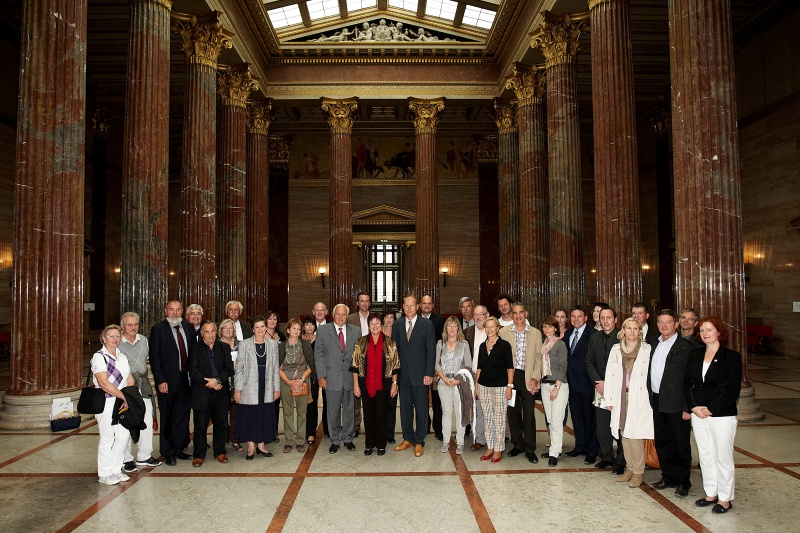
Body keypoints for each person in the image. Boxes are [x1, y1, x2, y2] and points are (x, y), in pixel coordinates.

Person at [684, 316, 742, 514]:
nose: (705, 333)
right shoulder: (695, 354)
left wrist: (711, 409)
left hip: (721, 415)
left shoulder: (731, 357)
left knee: (722, 457)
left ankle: (725, 498)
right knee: (706, 455)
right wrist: (693, 407)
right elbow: (687, 384)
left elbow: (733, 390)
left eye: (709, 330)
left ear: (719, 332)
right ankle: (711, 493)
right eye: (701, 330)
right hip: (698, 414)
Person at [602, 318, 654, 488]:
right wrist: (608, 398)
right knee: (624, 433)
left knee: (636, 435)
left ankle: (638, 472)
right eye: (629, 328)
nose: (632, 332)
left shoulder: (647, 350)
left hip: (639, 397)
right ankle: (629, 469)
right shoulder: (616, 349)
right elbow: (609, 374)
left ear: (640, 331)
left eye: (635, 328)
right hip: (621, 396)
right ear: (623, 330)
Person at [648, 309, 695, 497]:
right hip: (657, 399)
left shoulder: (686, 347)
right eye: (660, 322)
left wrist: (687, 406)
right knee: (662, 440)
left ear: (676, 324)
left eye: (668, 322)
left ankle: (684, 481)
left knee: (680, 443)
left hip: (677, 403)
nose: (664, 326)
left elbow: (690, 380)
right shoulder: (652, 343)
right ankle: (668, 476)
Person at [150, 300, 195, 466]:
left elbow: (193, 353)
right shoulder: (158, 330)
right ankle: (167, 452)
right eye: (171, 310)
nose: (175, 313)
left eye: (178, 310)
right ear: (165, 311)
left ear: (182, 311)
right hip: (167, 381)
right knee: (167, 416)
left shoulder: (188, 328)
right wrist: (160, 380)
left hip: (186, 379)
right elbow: (155, 358)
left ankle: (179, 448)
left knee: (182, 415)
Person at [498, 302, 543, 463]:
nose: (518, 316)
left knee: (529, 413)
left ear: (526, 314)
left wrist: (535, 378)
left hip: (528, 377)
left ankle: (530, 448)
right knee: (513, 411)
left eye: (521, 312)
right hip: (510, 378)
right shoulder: (503, 332)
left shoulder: (535, 333)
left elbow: (539, 358)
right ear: (511, 315)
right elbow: (500, 357)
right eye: (515, 313)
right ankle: (518, 444)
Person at [392, 295, 436, 457]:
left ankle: (419, 441)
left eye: (412, 306)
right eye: (406, 306)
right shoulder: (397, 325)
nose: (409, 308)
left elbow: (431, 351)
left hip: (421, 375)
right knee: (405, 409)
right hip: (403, 376)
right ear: (402, 307)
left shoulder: (427, 325)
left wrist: (429, 373)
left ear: (417, 306)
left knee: (422, 409)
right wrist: (395, 378)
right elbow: (394, 353)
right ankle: (407, 438)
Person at [351, 312, 400, 455]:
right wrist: (356, 385)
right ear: (368, 325)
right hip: (365, 384)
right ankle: (369, 444)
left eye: (377, 323)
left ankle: (381, 444)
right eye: (372, 323)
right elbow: (355, 365)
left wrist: (394, 384)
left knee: (381, 414)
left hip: (384, 384)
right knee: (368, 414)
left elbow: (395, 365)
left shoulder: (390, 343)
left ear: (381, 324)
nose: (374, 326)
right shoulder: (361, 342)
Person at [315, 304, 361, 454]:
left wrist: (358, 379)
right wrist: (321, 375)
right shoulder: (323, 331)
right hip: (331, 378)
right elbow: (319, 355)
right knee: (333, 411)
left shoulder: (356, 331)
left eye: (343, 315)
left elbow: (358, 357)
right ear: (333, 315)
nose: (340, 317)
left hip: (349, 377)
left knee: (349, 409)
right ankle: (335, 439)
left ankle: (348, 438)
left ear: (347, 317)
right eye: (338, 314)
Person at [93, 324, 136, 485]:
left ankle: (116, 469)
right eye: (111, 336)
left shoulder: (122, 356)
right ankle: (104, 473)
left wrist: (129, 397)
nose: (115, 339)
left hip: (121, 401)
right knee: (107, 438)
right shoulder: (99, 357)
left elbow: (130, 379)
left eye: (117, 336)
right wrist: (124, 396)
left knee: (123, 437)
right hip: (106, 402)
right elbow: (103, 383)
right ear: (103, 338)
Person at [119, 312, 160, 474]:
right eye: (129, 325)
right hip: (125, 386)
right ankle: (126, 458)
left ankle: (144, 455)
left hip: (143, 385)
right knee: (127, 421)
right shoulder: (118, 342)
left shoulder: (143, 340)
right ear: (122, 326)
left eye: (135, 324)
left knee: (147, 419)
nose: (133, 327)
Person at [585, 306, 625, 474]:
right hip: (600, 388)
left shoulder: (623, 338)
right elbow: (589, 362)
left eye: (609, 317)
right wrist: (598, 382)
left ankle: (621, 461)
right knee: (602, 426)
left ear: (615, 319)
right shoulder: (594, 338)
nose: (606, 321)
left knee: (620, 426)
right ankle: (607, 457)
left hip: (618, 390)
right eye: (603, 318)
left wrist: (609, 384)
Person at [234, 315, 280, 459]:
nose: (260, 329)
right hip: (248, 386)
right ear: (253, 330)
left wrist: (276, 388)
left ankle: (261, 445)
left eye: (262, 326)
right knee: (250, 416)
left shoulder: (272, 345)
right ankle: (251, 446)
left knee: (264, 415)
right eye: (257, 327)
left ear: (266, 328)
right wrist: (238, 389)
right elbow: (239, 369)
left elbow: (275, 368)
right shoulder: (245, 344)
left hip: (266, 386)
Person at [189, 321, 234, 467]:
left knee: (221, 424)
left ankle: (220, 452)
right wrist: (209, 383)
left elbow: (229, 369)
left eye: (212, 331)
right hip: (202, 392)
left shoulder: (224, 347)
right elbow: (193, 371)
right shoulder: (195, 349)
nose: (210, 335)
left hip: (220, 392)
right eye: (207, 332)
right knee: (200, 426)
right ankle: (199, 454)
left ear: (217, 332)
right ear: (202, 334)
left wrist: (218, 380)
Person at [563, 306, 599, 464]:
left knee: (590, 418)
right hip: (572, 383)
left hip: (587, 383)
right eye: (573, 316)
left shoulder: (593, 335)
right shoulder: (569, 334)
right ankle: (580, 446)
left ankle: (592, 450)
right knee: (577, 417)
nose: (576, 319)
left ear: (586, 318)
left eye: (579, 316)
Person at [476, 317, 514, 463]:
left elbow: (510, 368)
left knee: (499, 419)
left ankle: (498, 448)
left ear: (498, 328)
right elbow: (479, 367)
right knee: (488, 418)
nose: (490, 329)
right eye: (487, 327)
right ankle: (490, 446)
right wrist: (476, 386)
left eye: (493, 326)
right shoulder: (482, 346)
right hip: (484, 386)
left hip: (500, 386)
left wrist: (509, 387)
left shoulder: (504, 345)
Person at [435, 316, 472, 455]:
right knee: (446, 413)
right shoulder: (441, 343)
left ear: (458, 328)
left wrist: (457, 380)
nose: (451, 329)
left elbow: (468, 365)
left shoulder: (464, 344)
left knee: (459, 413)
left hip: (459, 383)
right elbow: (436, 363)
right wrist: (444, 378)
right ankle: (446, 441)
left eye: (454, 326)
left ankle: (461, 442)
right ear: (446, 328)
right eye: (449, 326)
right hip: (443, 383)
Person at [279, 318, 314, 453]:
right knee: (287, 413)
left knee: (302, 413)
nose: (297, 331)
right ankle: (288, 441)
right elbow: (277, 367)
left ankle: (300, 441)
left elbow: (311, 365)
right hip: (285, 382)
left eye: (299, 329)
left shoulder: (305, 345)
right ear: (288, 330)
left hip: (302, 382)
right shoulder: (281, 346)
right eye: (294, 328)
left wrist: (301, 379)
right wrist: (289, 382)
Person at [539, 316, 568, 466]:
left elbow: (563, 366)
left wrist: (556, 387)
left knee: (556, 421)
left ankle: (554, 453)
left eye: (550, 326)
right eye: (544, 327)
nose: (547, 329)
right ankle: (554, 447)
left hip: (559, 385)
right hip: (545, 385)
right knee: (550, 420)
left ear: (555, 328)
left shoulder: (560, 344)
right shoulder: (544, 345)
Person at [419, 294, 445, 441]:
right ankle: (424, 426)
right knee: (421, 399)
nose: (427, 306)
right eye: (424, 303)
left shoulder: (440, 320)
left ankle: (438, 429)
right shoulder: (415, 320)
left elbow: (443, 343)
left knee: (437, 399)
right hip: (420, 366)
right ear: (419, 305)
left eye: (429, 303)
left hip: (436, 366)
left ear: (433, 305)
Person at [464, 305, 489, 451]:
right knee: (475, 408)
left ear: (487, 315)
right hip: (472, 375)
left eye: (481, 314)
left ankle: (488, 437)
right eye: (475, 315)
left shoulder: (493, 331)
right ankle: (479, 438)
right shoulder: (467, 332)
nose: (478, 317)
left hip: (489, 375)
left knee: (488, 408)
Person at [348, 291, 372, 435]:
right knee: (355, 393)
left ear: (369, 303)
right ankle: (356, 423)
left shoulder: (375, 318)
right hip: (356, 359)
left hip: (372, 359)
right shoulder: (350, 318)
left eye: (366, 300)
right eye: (361, 300)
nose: (364, 303)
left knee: (370, 392)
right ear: (357, 303)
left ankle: (371, 422)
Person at [218, 318, 243, 453]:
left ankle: (235, 439)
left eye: (230, 328)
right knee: (221, 414)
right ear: (220, 331)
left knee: (235, 413)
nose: (228, 330)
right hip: (221, 383)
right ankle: (221, 441)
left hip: (237, 383)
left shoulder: (240, 344)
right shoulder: (216, 345)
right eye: (225, 328)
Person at [264, 310, 285, 441]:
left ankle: (274, 431)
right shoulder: (260, 335)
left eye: (275, 319)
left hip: (277, 375)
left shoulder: (281, 336)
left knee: (275, 405)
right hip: (264, 374)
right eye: (270, 319)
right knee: (264, 404)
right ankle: (264, 431)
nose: (272, 321)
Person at [302, 315, 322, 445]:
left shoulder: (319, 340)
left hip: (313, 376)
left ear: (315, 327)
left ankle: (311, 432)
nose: (309, 327)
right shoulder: (299, 340)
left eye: (312, 324)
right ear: (303, 327)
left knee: (312, 404)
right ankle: (301, 431)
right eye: (307, 324)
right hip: (300, 376)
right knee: (301, 405)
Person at [382, 311, 399, 443]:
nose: (388, 320)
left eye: (391, 317)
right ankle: (380, 432)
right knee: (379, 405)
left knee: (391, 405)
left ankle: (389, 434)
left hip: (394, 374)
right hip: (379, 375)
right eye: (386, 317)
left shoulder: (398, 332)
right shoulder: (377, 331)